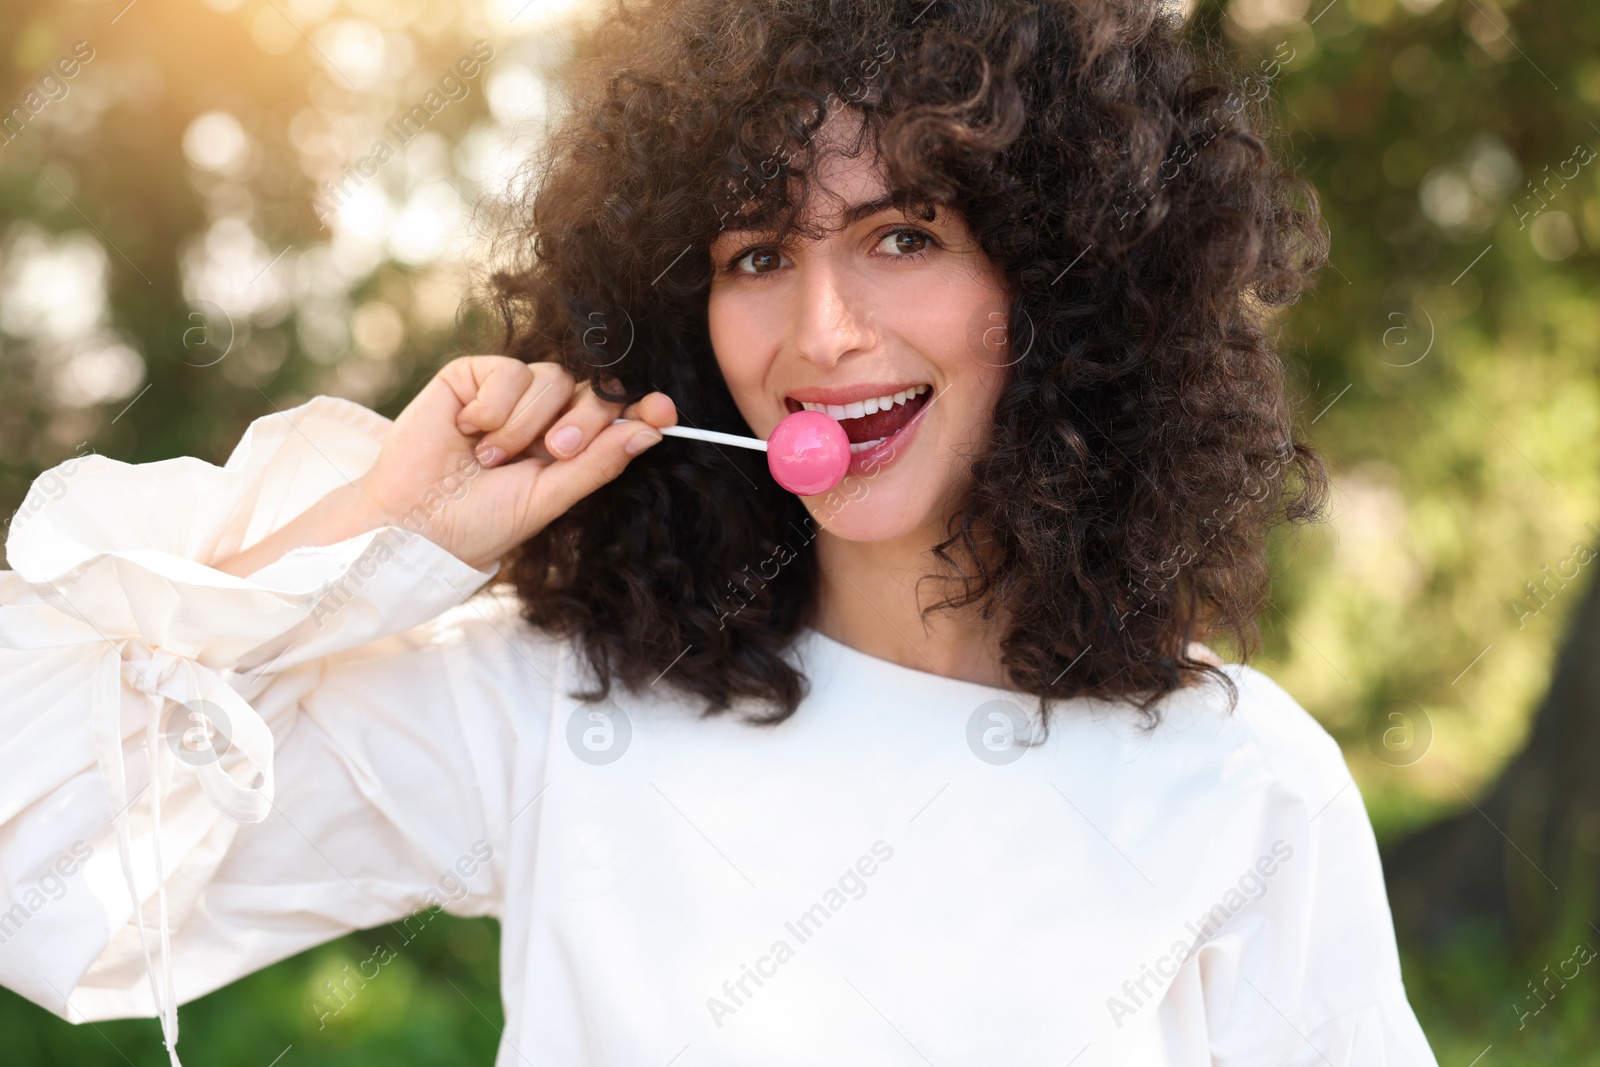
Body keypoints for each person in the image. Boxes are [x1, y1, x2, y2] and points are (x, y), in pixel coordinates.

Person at [0, 0, 1441, 1063]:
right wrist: (377, 535)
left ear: (1062, 286)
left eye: (903, 236)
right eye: (757, 255)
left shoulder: (1242, 786)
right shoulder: (558, 703)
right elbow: (50, 869)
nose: (822, 332)